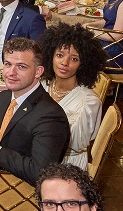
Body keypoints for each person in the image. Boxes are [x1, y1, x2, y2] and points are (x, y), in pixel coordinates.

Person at [0, 38, 70, 184]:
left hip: (18, 192)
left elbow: (40, 172)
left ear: (38, 71)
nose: (11, 72)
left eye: (21, 67)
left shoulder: (51, 116)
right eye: (8, 64)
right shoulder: (4, 97)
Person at [39, 24, 105, 169]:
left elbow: (75, 143)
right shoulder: (41, 85)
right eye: (60, 55)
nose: (65, 63)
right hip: (35, 155)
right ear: (50, 56)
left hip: (66, 166)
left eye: (74, 59)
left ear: (83, 64)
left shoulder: (89, 102)